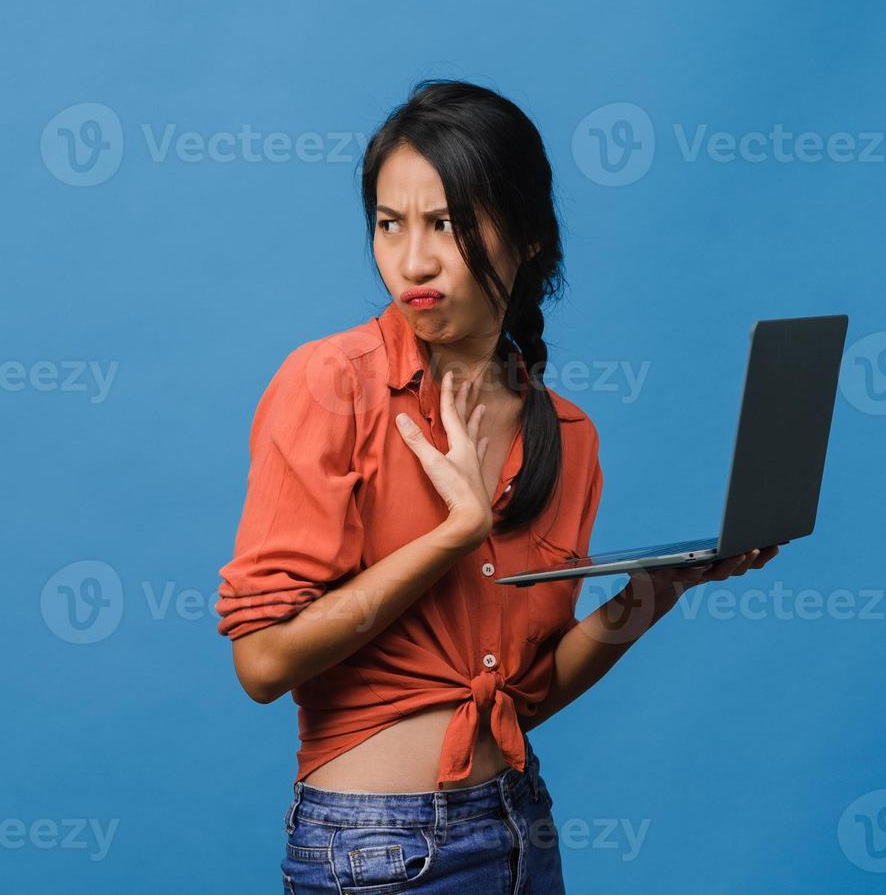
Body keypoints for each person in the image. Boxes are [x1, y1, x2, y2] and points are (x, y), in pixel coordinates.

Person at [214, 79, 780, 893]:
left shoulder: (569, 437)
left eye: (446, 224)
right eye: (389, 224)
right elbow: (263, 664)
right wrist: (452, 533)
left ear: (529, 238)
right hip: (377, 853)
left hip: (519, 824)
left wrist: (653, 594)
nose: (412, 260)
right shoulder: (331, 384)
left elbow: (526, 695)